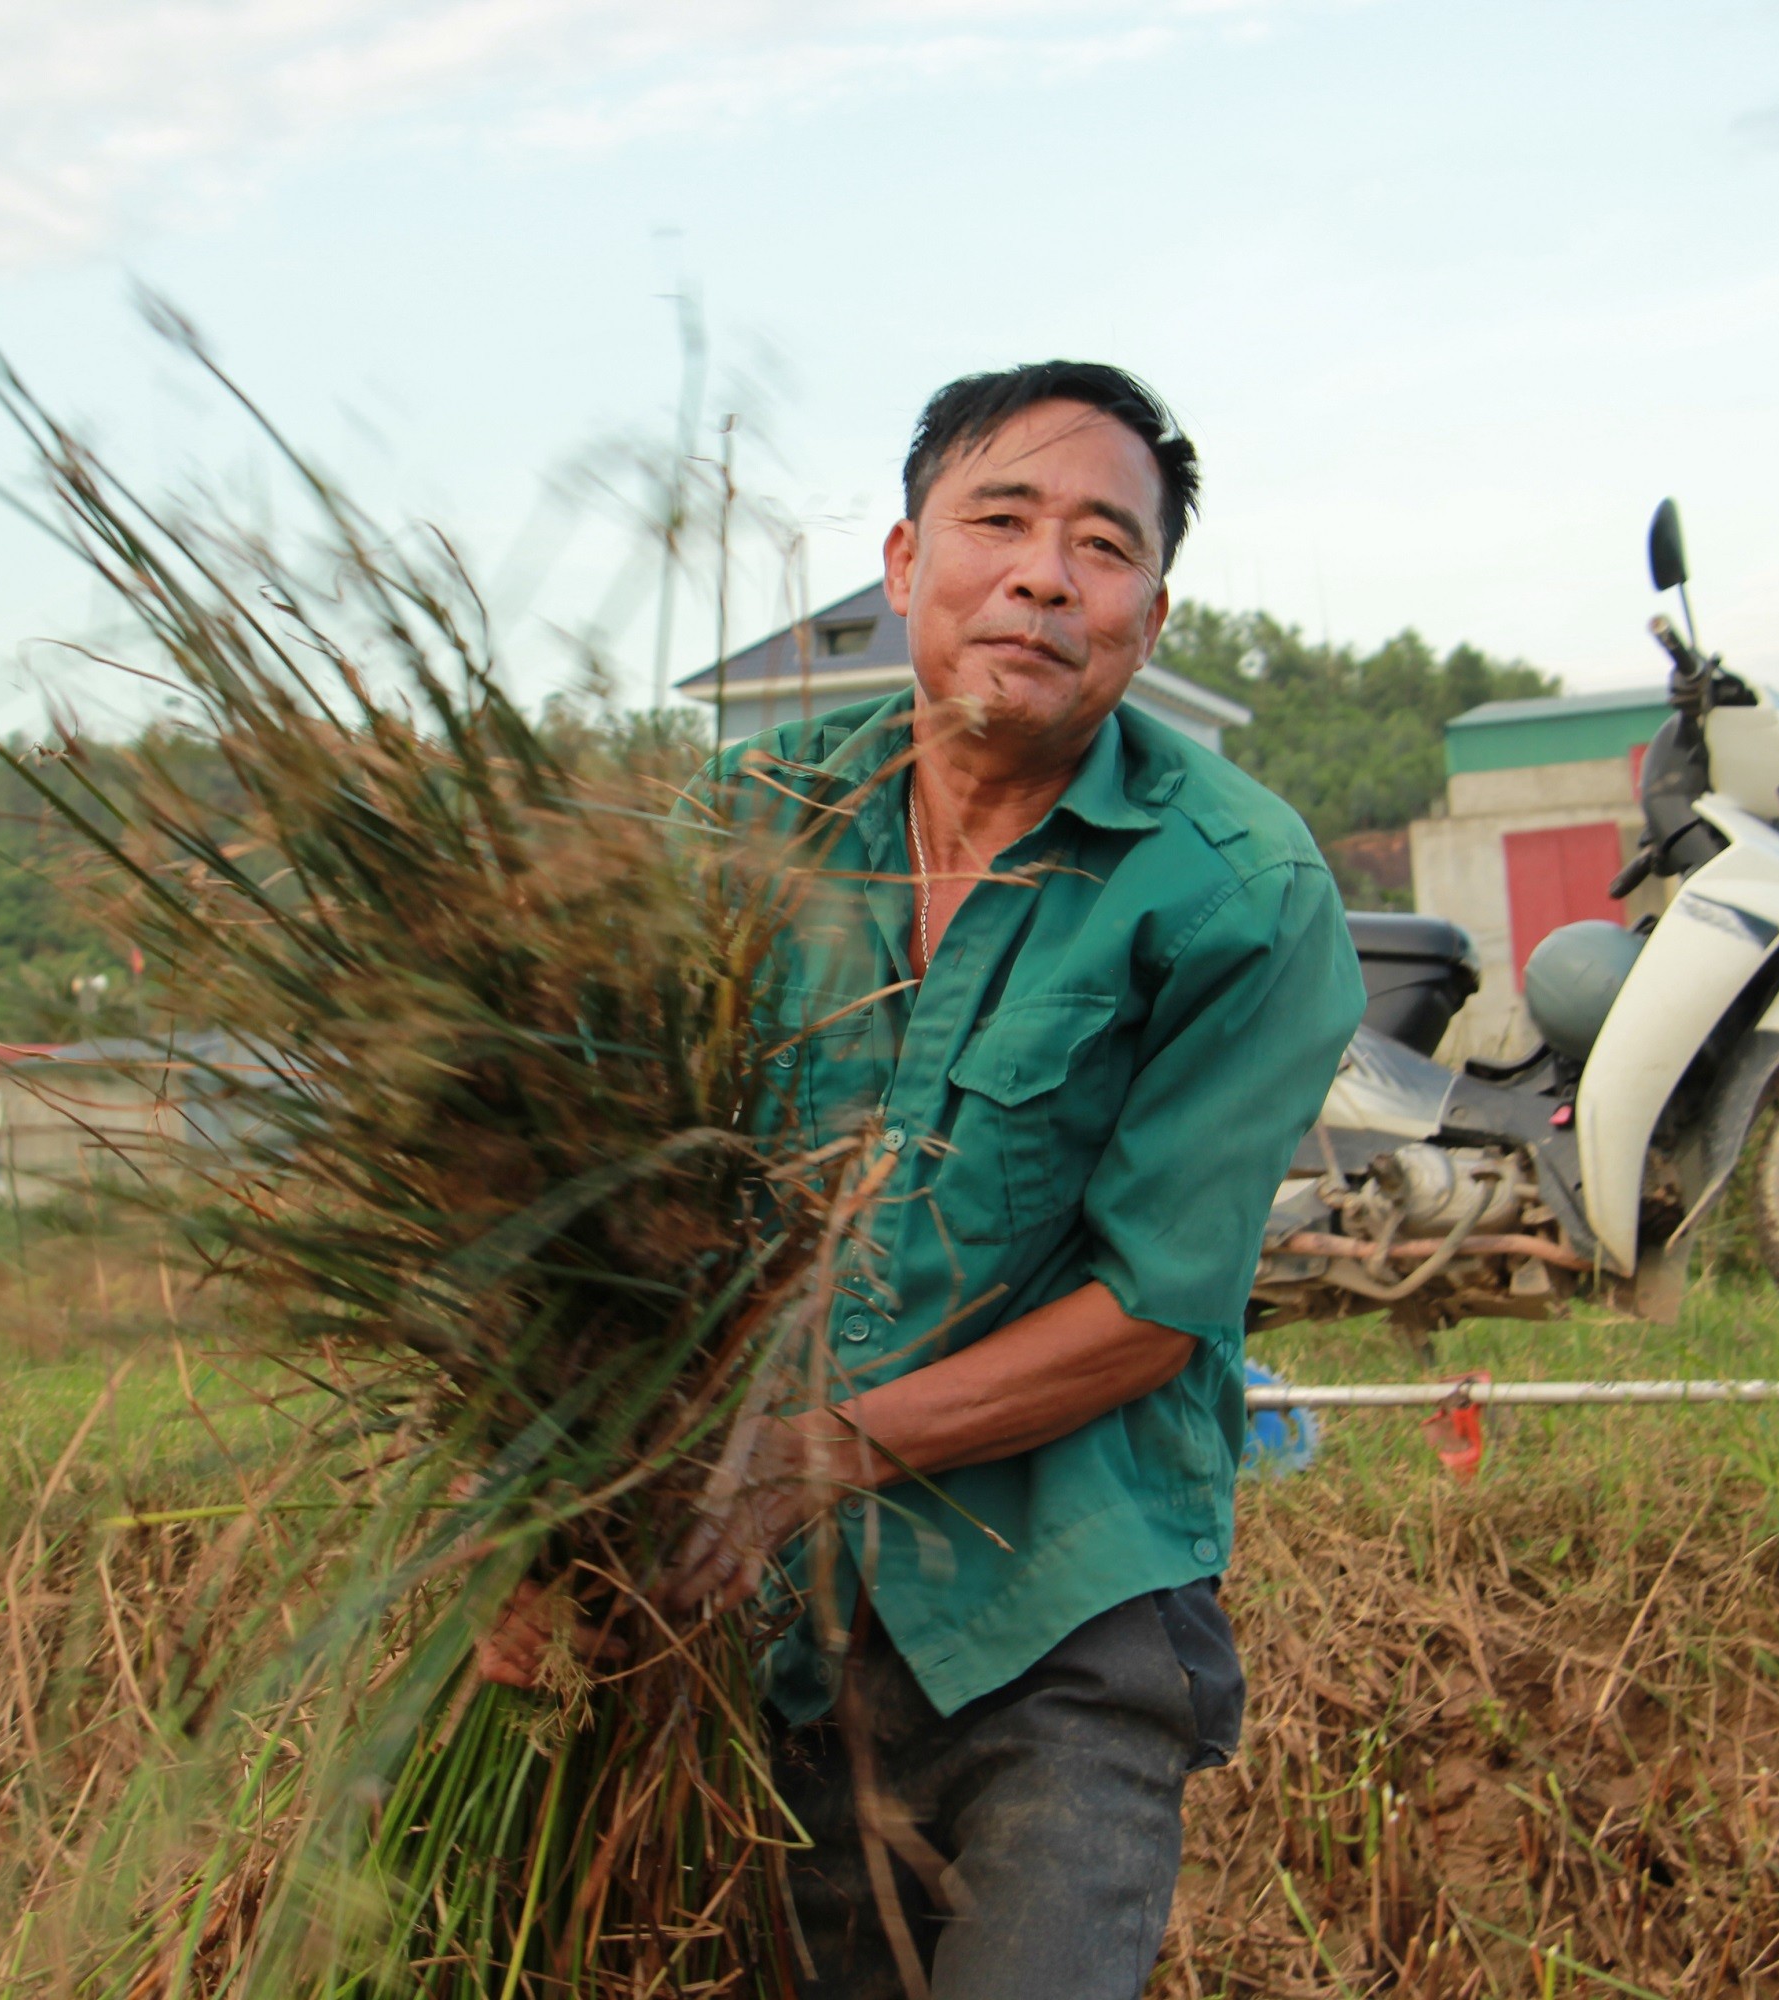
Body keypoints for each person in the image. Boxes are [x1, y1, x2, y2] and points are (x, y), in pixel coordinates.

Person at [490, 361, 1363, 1999]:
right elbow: (611, 1210)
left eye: (1102, 545)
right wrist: (543, 1534)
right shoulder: (747, 825)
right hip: (761, 1637)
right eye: (1001, 521)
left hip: (1059, 1614)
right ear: (904, 568)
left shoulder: (1239, 888)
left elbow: (1149, 1311)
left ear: (1149, 620)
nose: (1046, 573)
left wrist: (810, 1459)